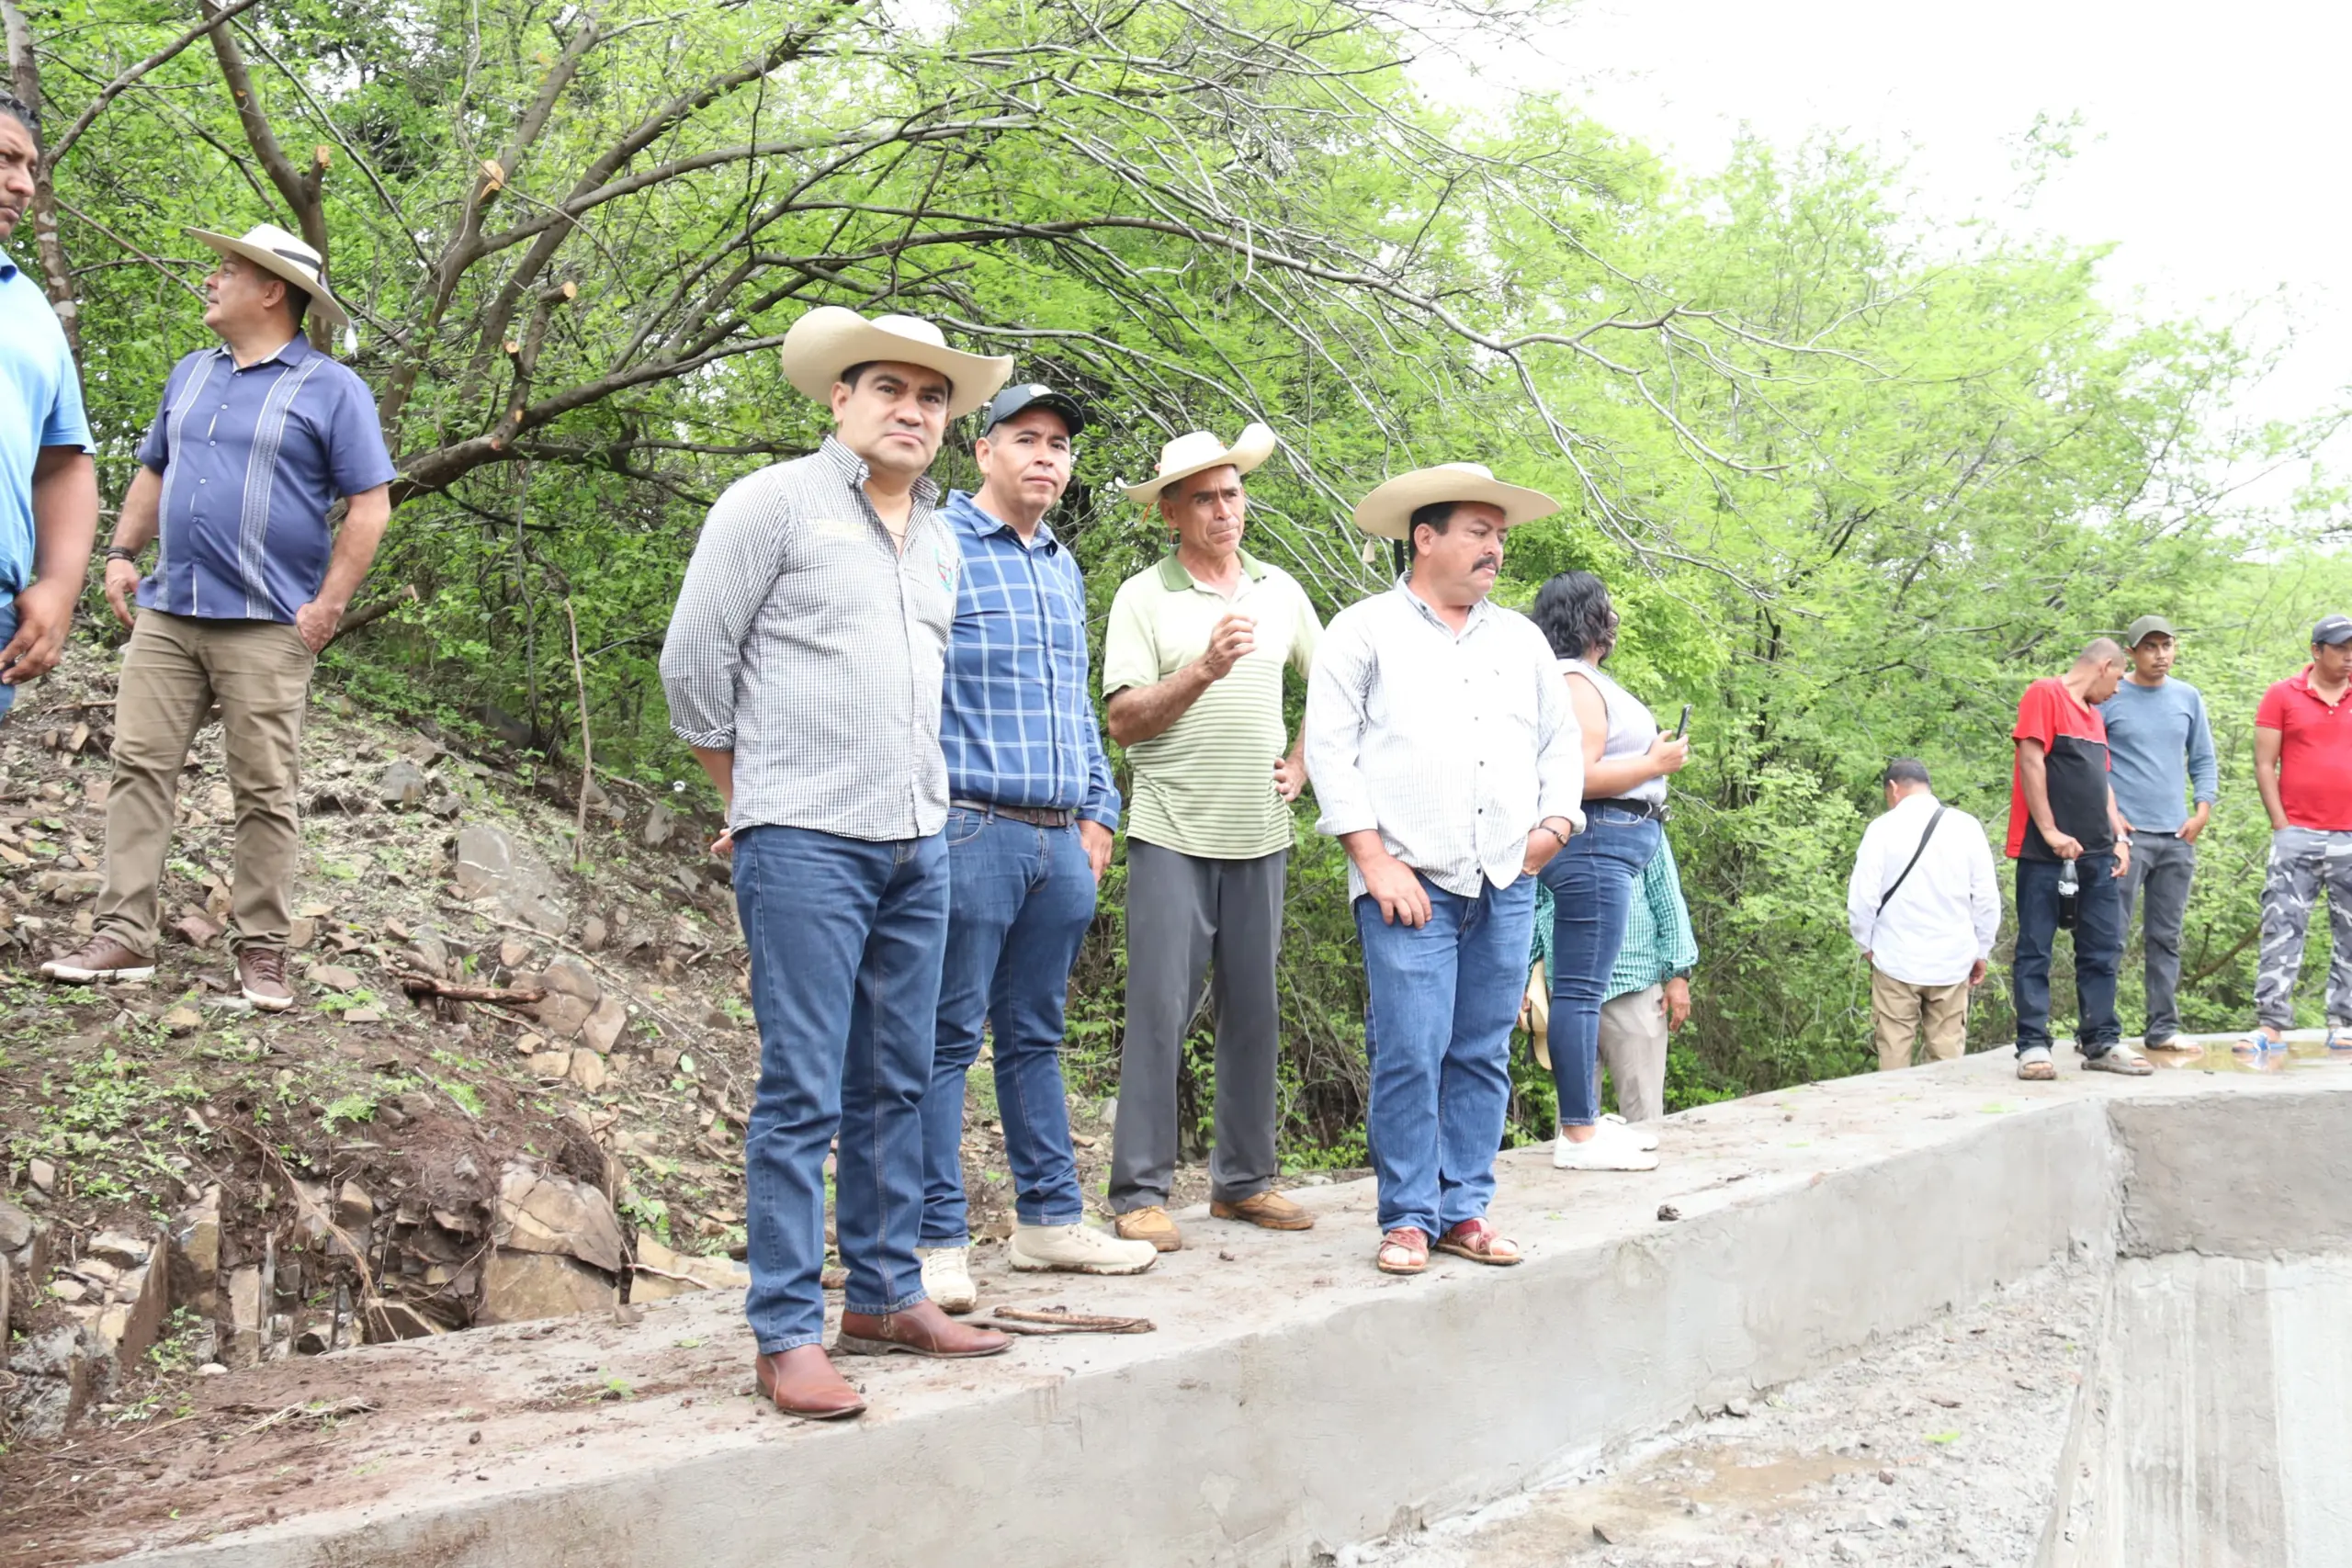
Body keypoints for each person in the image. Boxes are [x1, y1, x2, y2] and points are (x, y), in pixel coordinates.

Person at [660, 308, 1016, 1420]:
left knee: (899, 1081)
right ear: (840, 400)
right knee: (802, 1088)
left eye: (933, 398)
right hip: (804, 839)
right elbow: (692, 665)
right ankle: (782, 1333)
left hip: (921, 839)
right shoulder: (772, 503)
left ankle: (883, 1295)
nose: (911, 411)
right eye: (890, 391)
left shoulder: (946, 539)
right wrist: (748, 803)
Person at [39, 225, 394, 1010]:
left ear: (273, 291)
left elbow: (370, 506)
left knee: (265, 789)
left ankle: (262, 950)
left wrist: (327, 606)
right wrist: (123, 552)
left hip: (269, 622)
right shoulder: (191, 374)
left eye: (228, 270)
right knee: (138, 768)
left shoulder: (334, 389)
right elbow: (154, 469)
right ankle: (124, 933)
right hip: (170, 611)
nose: (211, 278)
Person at [1306, 463, 1582, 1277]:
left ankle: (1465, 1208)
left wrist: (1558, 822)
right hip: (1408, 880)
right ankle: (1407, 1218)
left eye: (1499, 534)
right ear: (1424, 538)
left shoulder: (1522, 639)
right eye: (1478, 532)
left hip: (1506, 877)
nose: (1495, 548)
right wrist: (1371, 858)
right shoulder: (1361, 631)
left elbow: (1559, 743)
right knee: (1410, 1049)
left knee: (1482, 1050)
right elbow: (1330, 750)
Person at [918, 383, 1156, 1309]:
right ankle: (935, 1240)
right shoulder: (935, 544)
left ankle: (1049, 1223)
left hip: (1062, 838)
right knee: (943, 1040)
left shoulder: (1060, 563)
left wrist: (1101, 812)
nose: (1047, 458)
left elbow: (1073, 704)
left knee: (1034, 1039)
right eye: (1028, 439)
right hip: (969, 824)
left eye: (1060, 444)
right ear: (982, 451)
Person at [1101, 423, 1322, 1253]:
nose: (1224, 509)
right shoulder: (1141, 597)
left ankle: (1244, 1182)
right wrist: (1203, 668)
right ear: (1170, 513)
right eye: (1204, 498)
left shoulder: (1281, 590)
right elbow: (1123, 720)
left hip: (1260, 834)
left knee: (1255, 1014)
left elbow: (1337, 689)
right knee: (1159, 1012)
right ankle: (1139, 1194)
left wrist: (1304, 763)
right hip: (1170, 831)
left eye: (1232, 492)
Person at [1527, 572, 1687, 1171]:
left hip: (1609, 849)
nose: (1616, 615)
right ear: (1587, 616)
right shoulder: (1574, 682)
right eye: (1608, 607)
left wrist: (1648, 761)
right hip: (1593, 847)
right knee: (1580, 991)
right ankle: (1579, 1135)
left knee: (1582, 989)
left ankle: (1585, 1126)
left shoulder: (1585, 681)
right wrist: (1654, 762)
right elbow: (1579, 776)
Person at [2006, 639, 2150, 1080]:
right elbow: (2031, 760)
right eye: (2118, 679)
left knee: (2102, 949)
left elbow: (2100, 782)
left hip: (2097, 856)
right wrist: (2050, 831)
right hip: (2045, 854)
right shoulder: (2044, 694)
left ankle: (2101, 1040)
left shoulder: (2094, 717)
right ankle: (2033, 1044)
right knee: (2035, 948)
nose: (2119, 691)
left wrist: (2119, 835)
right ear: (2105, 666)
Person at [0, 93, 97, 720]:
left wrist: (60, 586)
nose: (24, 184)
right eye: (6, 160)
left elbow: (64, 461)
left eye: (31, 167)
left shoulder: (31, 307)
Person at [2101, 615, 2218, 1052]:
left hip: (2176, 836)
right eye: (2150, 647)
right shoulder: (2111, 695)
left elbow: (2203, 759)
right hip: (2125, 838)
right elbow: (2093, 762)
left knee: (2166, 937)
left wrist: (2202, 810)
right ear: (2130, 653)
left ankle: (2163, 1028)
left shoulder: (2188, 697)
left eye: (2166, 645)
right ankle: (2098, 1031)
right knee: (2109, 934)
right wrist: (2111, 817)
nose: (2160, 654)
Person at [1528, 836, 1698, 1122]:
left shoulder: (1638, 820)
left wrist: (1679, 974)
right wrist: (1523, 976)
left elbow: (1667, 896)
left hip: (1633, 984)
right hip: (1567, 991)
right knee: (1573, 1119)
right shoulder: (1551, 825)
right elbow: (1535, 905)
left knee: (1643, 1112)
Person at [1846, 760, 1999, 1071]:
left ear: (1893, 788)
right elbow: (1985, 897)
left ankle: (1895, 1114)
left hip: (1895, 958)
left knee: (1893, 1051)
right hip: (1952, 960)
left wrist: (1866, 945)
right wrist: (1982, 949)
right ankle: (1942, 1117)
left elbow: (1863, 899)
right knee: (1946, 1057)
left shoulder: (1881, 829)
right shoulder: (1966, 826)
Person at [2247, 615, 2352, 1053]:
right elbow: (2263, 763)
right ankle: (2271, 1023)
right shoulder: (2282, 695)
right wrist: (2280, 824)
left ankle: (2344, 1020)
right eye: (2341, 648)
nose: (2349, 656)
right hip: (2298, 832)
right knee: (2282, 926)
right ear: (2316, 650)